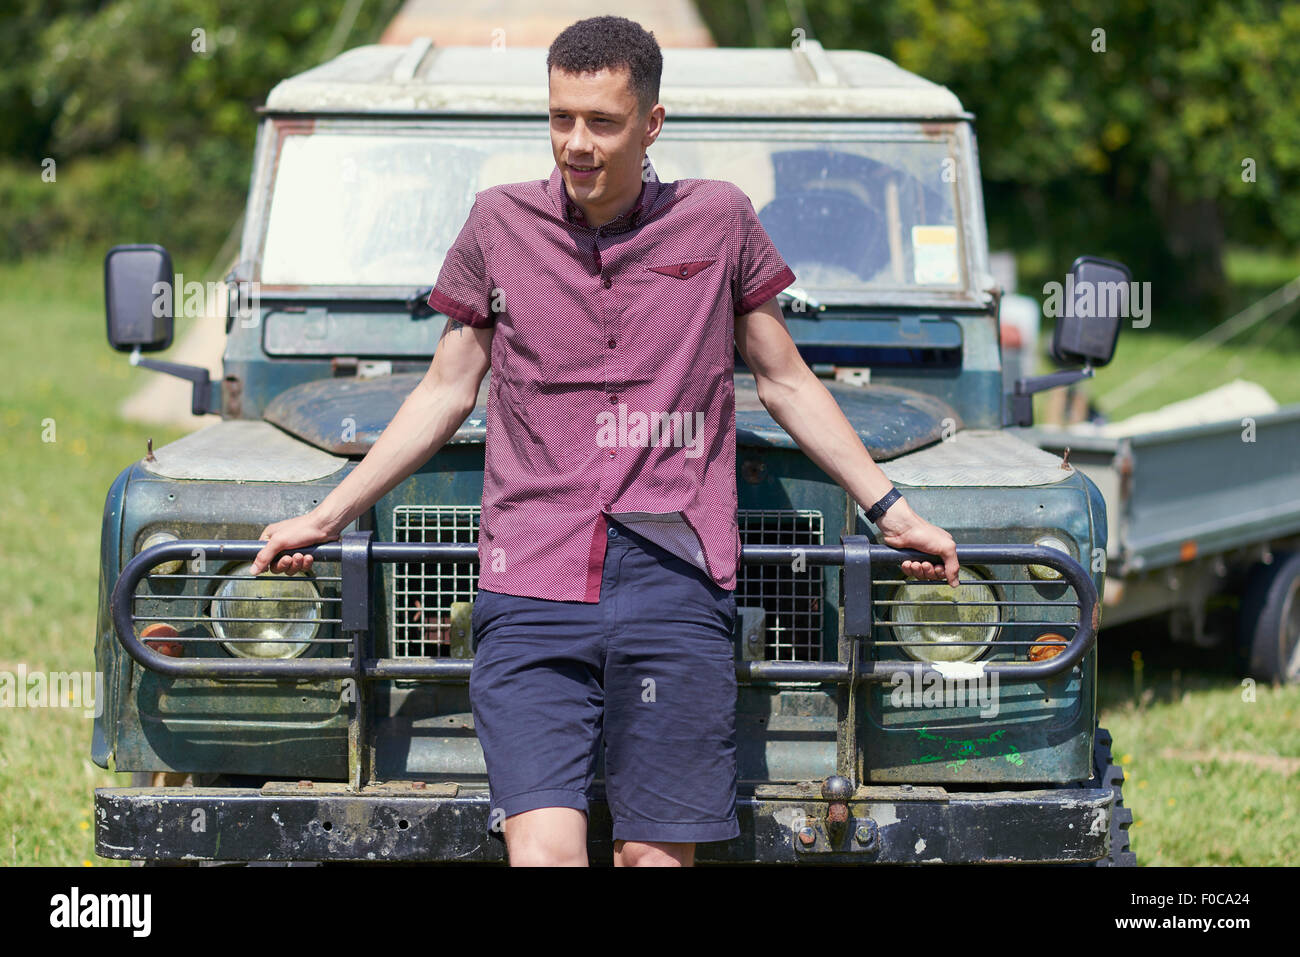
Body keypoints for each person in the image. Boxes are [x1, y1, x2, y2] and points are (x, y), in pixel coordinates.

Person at [251, 15, 959, 867]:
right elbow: (444, 388)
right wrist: (325, 516)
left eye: (602, 123)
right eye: (560, 119)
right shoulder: (497, 225)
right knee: (545, 854)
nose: (576, 144)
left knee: (652, 859)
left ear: (652, 123)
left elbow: (787, 380)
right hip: (531, 581)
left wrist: (892, 509)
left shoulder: (718, 221)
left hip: (675, 582)